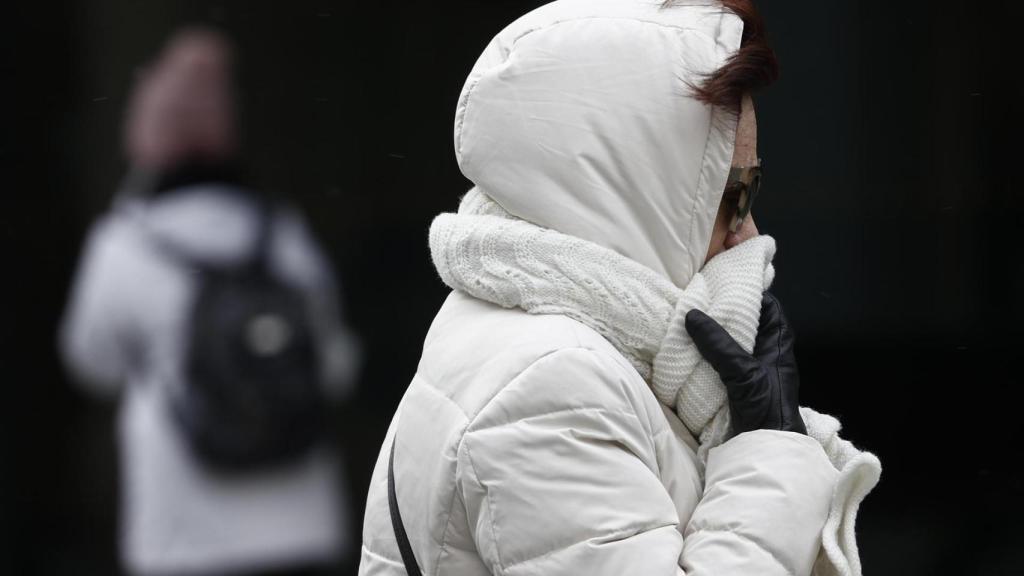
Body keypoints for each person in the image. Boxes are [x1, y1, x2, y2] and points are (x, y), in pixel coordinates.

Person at [359, 1, 881, 576]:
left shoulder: (555, 342)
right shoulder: (548, 387)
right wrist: (771, 450)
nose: (749, 231)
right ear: (636, 190)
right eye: (735, 194)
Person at [59, 28, 358, 576]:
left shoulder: (125, 243)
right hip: (301, 524)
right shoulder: (281, 233)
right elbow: (336, 365)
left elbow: (90, 362)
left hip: (184, 535)